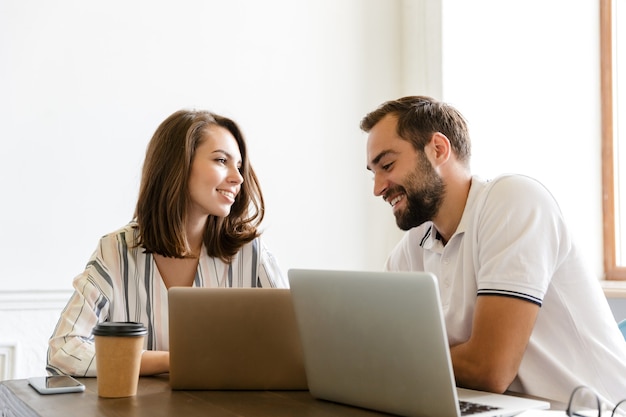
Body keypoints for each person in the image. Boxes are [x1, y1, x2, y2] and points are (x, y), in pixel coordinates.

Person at [360, 95, 626, 405]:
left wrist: (390, 361)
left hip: (592, 411)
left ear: (437, 149)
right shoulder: (417, 243)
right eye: (373, 173)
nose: (377, 188)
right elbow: (377, 344)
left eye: (387, 165)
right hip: (507, 409)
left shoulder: (513, 201)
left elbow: (490, 369)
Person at [47, 109, 287, 377]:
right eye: (221, 160)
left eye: (239, 166)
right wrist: (172, 361)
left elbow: (292, 349)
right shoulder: (116, 251)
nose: (238, 178)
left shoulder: (251, 254)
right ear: (178, 165)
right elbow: (63, 352)